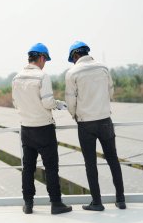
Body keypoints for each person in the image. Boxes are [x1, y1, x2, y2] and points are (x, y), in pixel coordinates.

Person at [65, 41, 126, 211]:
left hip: (85, 124)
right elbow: (111, 92)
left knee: (90, 163)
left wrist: (75, 115)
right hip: (105, 120)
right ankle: (120, 200)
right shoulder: (103, 68)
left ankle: (97, 203)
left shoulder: (72, 72)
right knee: (113, 160)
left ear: (75, 56)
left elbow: (70, 102)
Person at [12, 43, 72, 215]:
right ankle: (56, 203)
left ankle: (28, 204)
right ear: (42, 58)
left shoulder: (16, 78)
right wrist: (58, 104)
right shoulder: (42, 76)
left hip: (26, 129)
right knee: (51, 167)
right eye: (45, 59)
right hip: (43, 129)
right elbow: (47, 102)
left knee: (28, 167)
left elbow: (15, 103)